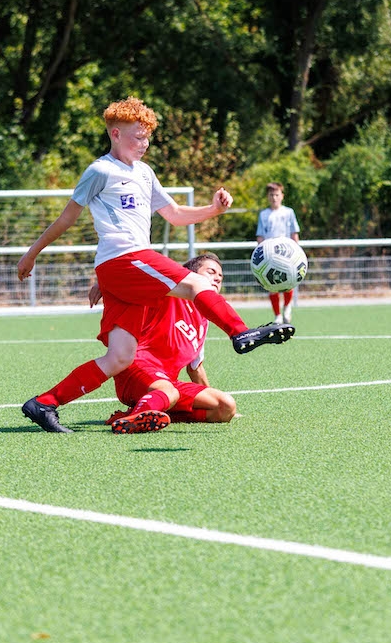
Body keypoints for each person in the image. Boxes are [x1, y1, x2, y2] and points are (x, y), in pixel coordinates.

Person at [16, 97, 293, 433]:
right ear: (115, 134)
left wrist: (213, 210)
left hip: (125, 269)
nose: (144, 144)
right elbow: (66, 218)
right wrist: (32, 253)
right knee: (197, 283)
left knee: (119, 357)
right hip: (124, 258)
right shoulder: (100, 170)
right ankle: (240, 332)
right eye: (138, 137)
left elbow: (174, 214)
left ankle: (44, 403)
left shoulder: (145, 173)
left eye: (147, 137)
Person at [101, 253, 238, 434]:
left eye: (220, 277)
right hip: (136, 368)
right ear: (190, 275)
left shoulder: (203, 322)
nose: (217, 279)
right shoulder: (171, 293)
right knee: (168, 391)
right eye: (211, 272)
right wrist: (103, 282)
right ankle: (134, 418)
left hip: (166, 385)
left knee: (225, 407)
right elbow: (143, 270)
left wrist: (208, 399)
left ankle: (144, 411)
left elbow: (195, 369)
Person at [256, 181, 301, 324]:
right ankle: (277, 315)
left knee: (288, 282)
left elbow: (294, 233)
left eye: (276, 195)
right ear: (268, 197)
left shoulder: (288, 212)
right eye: (271, 195)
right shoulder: (264, 214)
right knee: (272, 285)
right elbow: (260, 236)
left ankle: (287, 307)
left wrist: (297, 252)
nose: (274, 198)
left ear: (282, 196)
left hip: (287, 255)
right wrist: (260, 254)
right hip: (270, 257)